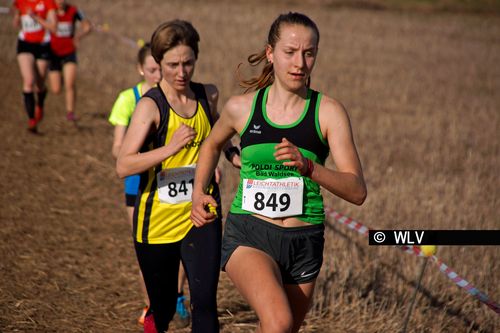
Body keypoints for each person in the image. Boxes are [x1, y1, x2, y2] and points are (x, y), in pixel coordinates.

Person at [191, 12, 367, 333]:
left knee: (279, 329)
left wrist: (309, 167)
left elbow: (357, 191)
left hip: (305, 241)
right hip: (250, 233)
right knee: (278, 322)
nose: (300, 62)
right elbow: (211, 145)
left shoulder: (328, 112)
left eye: (309, 53)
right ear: (271, 54)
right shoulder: (240, 108)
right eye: (290, 52)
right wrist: (198, 192)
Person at [116, 20, 238, 333]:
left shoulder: (207, 95)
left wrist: (232, 155)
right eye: (172, 65)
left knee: (205, 303)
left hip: (201, 210)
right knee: (165, 307)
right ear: (158, 63)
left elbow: (217, 136)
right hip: (157, 221)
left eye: (188, 63)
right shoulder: (150, 107)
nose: (181, 72)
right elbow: (124, 165)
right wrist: (169, 148)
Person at [109, 42, 191, 328]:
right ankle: (153, 304)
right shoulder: (129, 100)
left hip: (178, 181)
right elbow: (119, 150)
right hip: (139, 185)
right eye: (153, 69)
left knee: (181, 247)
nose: (158, 74)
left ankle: (178, 295)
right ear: (141, 69)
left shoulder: (182, 99)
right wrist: (144, 151)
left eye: (161, 69)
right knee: (147, 250)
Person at [12, 0, 57, 132]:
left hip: (43, 45)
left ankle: (40, 102)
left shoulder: (48, 3)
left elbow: (53, 27)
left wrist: (35, 17)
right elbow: (16, 23)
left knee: (40, 84)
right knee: (28, 81)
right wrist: (17, 16)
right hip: (25, 44)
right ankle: (32, 120)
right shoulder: (20, 2)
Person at [48, 0, 91, 122]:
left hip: (69, 52)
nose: (60, 1)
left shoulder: (74, 11)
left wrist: (78, 37)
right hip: (53, 53)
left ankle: (70, 112)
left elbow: (87, 26)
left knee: (70, 84)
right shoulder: (49, 11)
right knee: (56, 89)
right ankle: (59, 76)